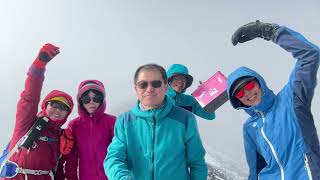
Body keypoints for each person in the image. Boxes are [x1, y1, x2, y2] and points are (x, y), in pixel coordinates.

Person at [227, 20, 320, 180]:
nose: (247, 93)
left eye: (249, 84)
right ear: (238, 101)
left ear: (259, 82)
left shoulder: (291, 99)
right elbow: (255, 172)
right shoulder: (249, 128)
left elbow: (310, 55)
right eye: (240, 94)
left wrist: (268, 31)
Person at [104, 64, 207, 180]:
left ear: (165, 87)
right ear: (136, 89)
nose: (149, 89)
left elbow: (197, 163)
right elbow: (113, 157)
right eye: (143, 84)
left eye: (156, 84)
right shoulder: (124, 121)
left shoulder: (186, 119)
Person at [2, 43, 74, 180]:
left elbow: (58, 168)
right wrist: (39, 65)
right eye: (54, 104)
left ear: (67, 114)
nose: (58, 110)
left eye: (64, 108)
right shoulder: (27, 122)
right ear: (45, 106)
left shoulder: (62, 136)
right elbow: (30, 97)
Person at [58, 80, 116, 180]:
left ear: (102, 100)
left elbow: (120, 153)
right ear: (81, 101)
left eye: (96, 98)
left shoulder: (112, 122)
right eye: (86, 99)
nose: (91, 102)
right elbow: (72, 158)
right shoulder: (74, 125)